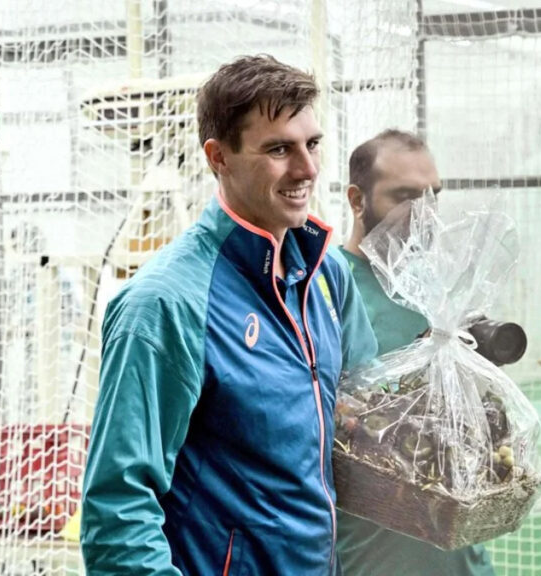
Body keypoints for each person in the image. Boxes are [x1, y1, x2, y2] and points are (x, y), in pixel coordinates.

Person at [81, 54, 378, 575]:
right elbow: (117, 512)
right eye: (279, 149)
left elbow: (365, 416)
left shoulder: (327, 276)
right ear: (218, 157)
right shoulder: (165, 303)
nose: (308, 169)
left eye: (312, 144)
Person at [337, 129, 495, 576]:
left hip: (463, 562)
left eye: (433, 196)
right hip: (369, 560)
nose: (424, 213)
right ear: (357, 200)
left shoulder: (443, 290)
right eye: (404, 196)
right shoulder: (326, 287)